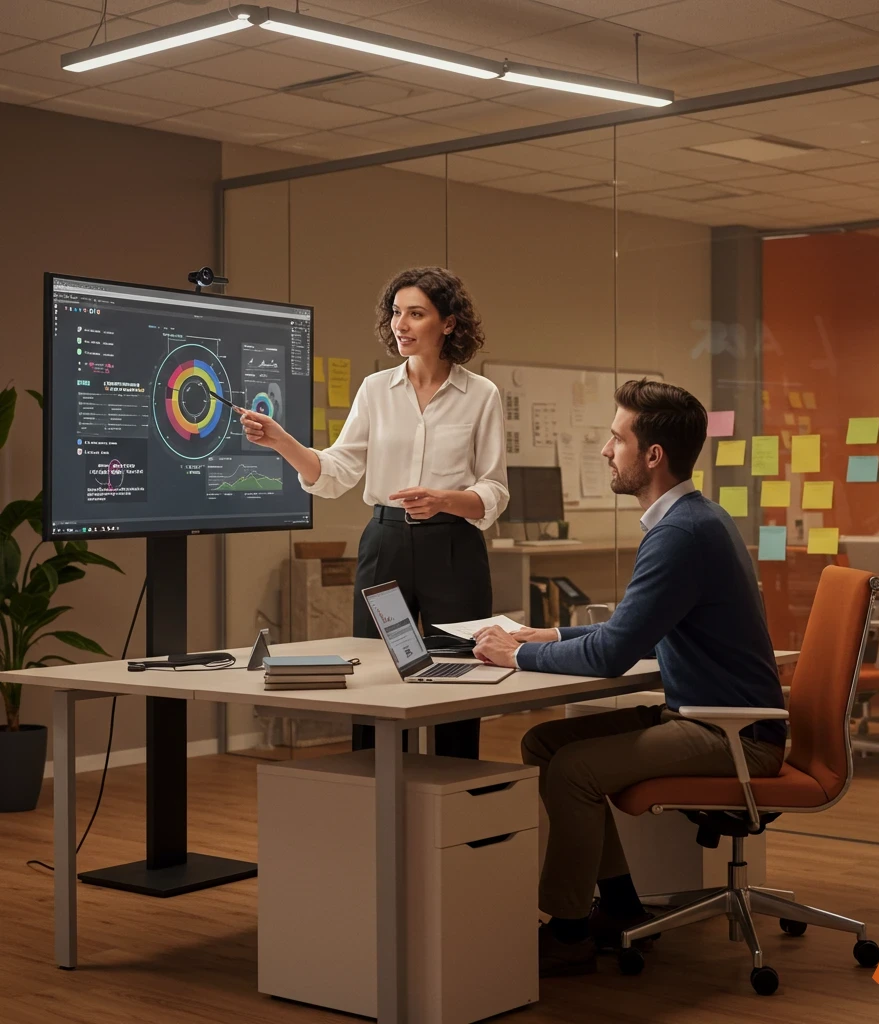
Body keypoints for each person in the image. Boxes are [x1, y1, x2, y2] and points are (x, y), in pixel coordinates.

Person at [473, 378, 786, 977]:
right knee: (544, 743)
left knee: (574, 769)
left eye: (616, 439)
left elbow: (612, 654)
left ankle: (568, 931)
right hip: (711, 716)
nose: (604, 450)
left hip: (733, 734)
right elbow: (628, 626)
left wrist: (515, 657)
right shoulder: (693, 519)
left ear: (653, 455)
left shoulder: (680, 534)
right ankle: (619, 905)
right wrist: (548, 636)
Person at [239, 267, 508, 759]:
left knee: (461, 677)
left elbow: (493, 489)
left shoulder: (481, 395)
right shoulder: (374, 390)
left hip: (454, 548)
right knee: (377, 673)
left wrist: (443, 499)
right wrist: (282, 442)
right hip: (386, 545)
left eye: (416, 314)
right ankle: (375, 784)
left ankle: (453, 789)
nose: (400, 324)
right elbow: (336, 470)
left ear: (449, 323)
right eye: (396, 313)